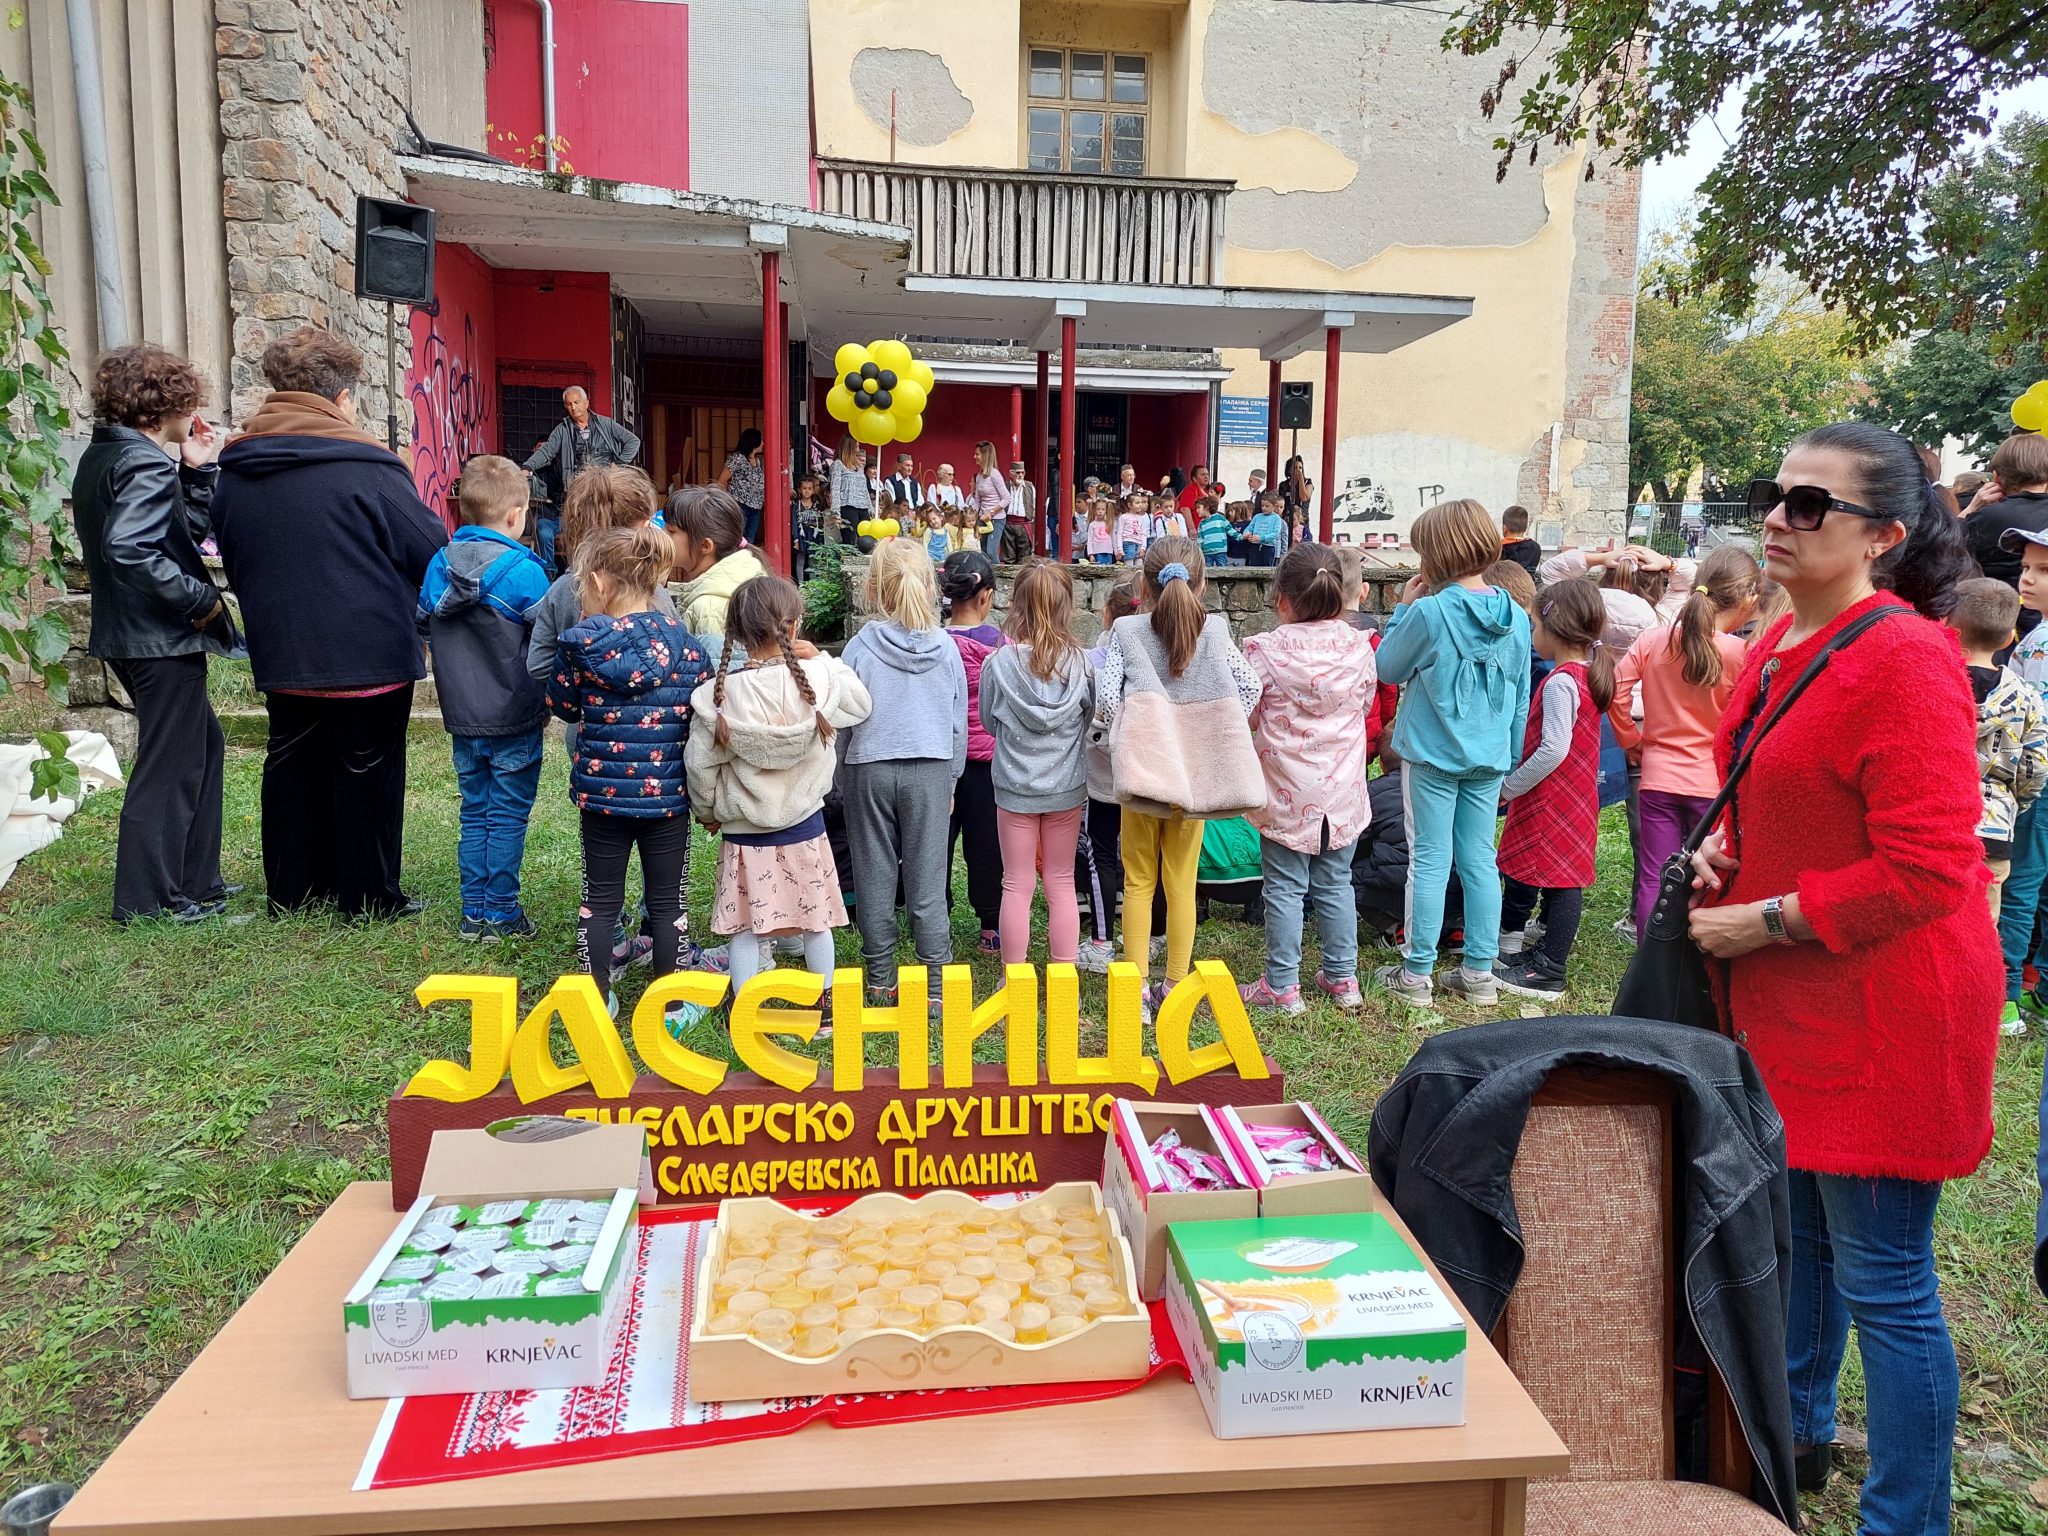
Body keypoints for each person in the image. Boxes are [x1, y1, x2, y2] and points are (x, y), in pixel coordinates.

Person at [1687, 422, 1993, 1536]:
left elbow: (1929, 866)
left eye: (1811, 504)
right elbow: (1785, 801)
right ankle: (1795, 1447)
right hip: (1796, 1002)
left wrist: (1766, 918)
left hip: (1886, 1012)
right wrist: (1727, 854)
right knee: (1803, 1250)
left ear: (1883, 536)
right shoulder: (1779, 639)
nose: (1778, 517)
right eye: (1772, 494)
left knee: (1884, 1280)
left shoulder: (1905, 656)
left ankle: (1904, 1520)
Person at [213, 325, 447, 920]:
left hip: (282, 647)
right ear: (342, 398)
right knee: (368, 771)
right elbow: (430, 551)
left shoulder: (236, 467)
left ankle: (293, 891)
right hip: (368, 651)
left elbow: (232, 550)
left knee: (291, 764)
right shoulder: (368, 465)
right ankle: (369, 898)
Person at [70, 342, 237, 924]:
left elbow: (173, 533)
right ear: (162, 405)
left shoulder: (108, 455)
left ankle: (196, 884)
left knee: (202, 748)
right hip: (157, 638)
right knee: (170, 764)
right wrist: (200, 600)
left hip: (135, 635)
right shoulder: (140, 462)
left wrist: (196, 471)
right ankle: (149, 902)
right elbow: (130, 549)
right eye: (186, 401)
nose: (194, 413)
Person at [688, 576, 872, 1030]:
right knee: (816, 921)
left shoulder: (718, 696)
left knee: (744, 924)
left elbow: (700, 766)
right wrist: (824, 658)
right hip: (805, 826)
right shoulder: (819, 680)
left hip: (744, 833)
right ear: (794, 626)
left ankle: (743, 1010)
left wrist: (708, 812)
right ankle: (824, 1008)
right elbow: (861, 704)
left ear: (735, 632)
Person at [1092, 536, 1263, 1013]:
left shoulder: (1126, 630)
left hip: (1144, 774)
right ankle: (1174, 985)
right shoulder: (1215, 631)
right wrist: (1210, 729)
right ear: (1201, 583)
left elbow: (1108, 698)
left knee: (1138, 882)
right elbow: (1250, 687)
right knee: (1181, 884)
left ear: (1143, 586)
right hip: (1194, 780)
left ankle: (1135, 990)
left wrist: (1129, 730)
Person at [1372, 499, 1531, 1009]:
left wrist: (1402, 607)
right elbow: (1520, 693)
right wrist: (1509, 755)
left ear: (1434, 557)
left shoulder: (1429, 611)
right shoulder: (1516, 615)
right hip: (1489, 757)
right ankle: (1479, 972)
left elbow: (1387, 667)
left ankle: (1416, 973)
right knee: (1480, 858)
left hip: (1432, 757)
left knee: (1430, 860)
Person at [548, 526, 712, 1016]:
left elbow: (563, 707)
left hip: (602, 799)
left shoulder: (580, 647)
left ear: (599, 582)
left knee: (598, 901)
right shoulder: (688, 647)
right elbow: (703, 712)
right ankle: (672, 1005)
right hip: (668, 799)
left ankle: (595, 1001)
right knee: (668, 904)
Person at [1237, 544, 1378, 1014]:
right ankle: (1342, 978)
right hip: (1341, 790)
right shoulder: (1359, 648)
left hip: (1285, 792)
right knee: (1337, 883)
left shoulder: (1264, 652)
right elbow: (1364, 705)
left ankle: (1282, 985)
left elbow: (1247, 713)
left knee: (1283, 887)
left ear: (1281, 599)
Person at [417, 455, 552, 942]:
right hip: (515, 715)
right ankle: (501, 912)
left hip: (461, 716)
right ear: (516, 515)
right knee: (507, 814)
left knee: (474, 811)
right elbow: (547, 641)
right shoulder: (526, 572)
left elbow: (423, 622)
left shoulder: (438, 564)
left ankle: (473, 912)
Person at [839, 539, 967, 1011]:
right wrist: (952, 779)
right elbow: (957, 723)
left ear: (875, 588)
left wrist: (841, 778)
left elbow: (843, 717)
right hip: (931, 770)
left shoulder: (859, 647)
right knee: (928, 880)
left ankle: (880, 982)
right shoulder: (947, 649)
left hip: (868, 768)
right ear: (930, 586)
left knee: (873, 878)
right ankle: (936, 987)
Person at [1608, 544, 1761, 936]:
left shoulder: (1653, 640)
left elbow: (1616, 690)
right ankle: (1696, 956)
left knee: (1653, 876)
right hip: (1714, 786)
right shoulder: (1742, 653)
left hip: (1657, 778)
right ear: (1747, 597)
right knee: (1707, 877)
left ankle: (1649, 957)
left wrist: (1630, 739)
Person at [1493, 578, 1613, 998]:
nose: (1532, 634)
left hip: (1552, 799)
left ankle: (1549, 969)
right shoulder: (1588, 674)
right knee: (1564, 875)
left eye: (1534, 625)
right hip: (1575, 797)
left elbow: (1553, 749)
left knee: (1562, 881)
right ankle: (1543, 955)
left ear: (1555, 627)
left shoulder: (1562, 682)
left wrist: (1510, 787)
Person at [979, 562, 1095, 969]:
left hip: (1014, 789)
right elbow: (1087, 719)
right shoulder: (1081, 664)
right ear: (1068, 607)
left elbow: (988, 722)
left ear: (1016, 606)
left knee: (1016, 883)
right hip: (1065, 788)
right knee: (1061, 881)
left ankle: (1013, 981)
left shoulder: (998, 664)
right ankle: (1064, 980)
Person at [1943, 579, 2048, 1025]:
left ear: (1946, 627)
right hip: (1993, 826)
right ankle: (1984, 1005)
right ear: (2009, 639)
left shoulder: (1935, 684)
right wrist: (2014, 802)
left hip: (1939, 819)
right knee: (1985, 920)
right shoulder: (2025, 697)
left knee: (1933, 914)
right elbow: (2036, 765)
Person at [1075, 572, 1143, 971]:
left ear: (1105, 614)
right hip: (1148, 776)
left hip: (1102, 778)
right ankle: (1153, 937)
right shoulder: (1160, 656)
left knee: (1100, 852)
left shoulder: (1090, 661)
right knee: (1146, 861)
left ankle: (1101, 942)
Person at [940, 551, 1007, 952]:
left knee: (937, 847)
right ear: (987, 596)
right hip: (987, 762)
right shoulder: (1001, 647)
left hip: (940, 760)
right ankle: (991, 927)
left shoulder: (933, 645)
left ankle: (937, 922)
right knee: (987, 846)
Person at [1998, 529, 2048, 1022]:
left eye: (2043, 571)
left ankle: (2004, 995)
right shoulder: (2036, 632)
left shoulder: (2040, 643)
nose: (2027, 579)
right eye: (2026, 567)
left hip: (2039, 780)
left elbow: (2026, 730)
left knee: (2019, 883)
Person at [1962, 432, 2048, 636]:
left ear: (1997, 477)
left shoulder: (1986, 518)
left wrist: (1971, 509)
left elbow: (1940, 548)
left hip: (1996, 626)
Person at [670, 486, 765, 651]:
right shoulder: (737, 580)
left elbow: (717, 666)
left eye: (671, 531)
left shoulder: (710, 609)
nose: (661, 534)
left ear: (705, 546)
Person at [524, 385, 640, 486]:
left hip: (607, 484)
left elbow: (633, 441)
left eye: (576, 402)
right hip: (578, 487)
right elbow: (547, 451)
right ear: (565, 406)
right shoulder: (562, 429)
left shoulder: (605, 424)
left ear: (586, 403)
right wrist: (527, 467)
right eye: (569, 404)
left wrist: (618, 464)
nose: (573, 408)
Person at [711, 427, 767, 546]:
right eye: (761, 440)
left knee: (750, 538)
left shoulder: (757, 461)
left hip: (756, 506)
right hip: (741, 504)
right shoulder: (738, 458)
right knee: (738, 536)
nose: (763, 443)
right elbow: (722, 480)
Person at [970, 441, 1012, 561]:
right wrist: (972, 515)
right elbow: (977, 501)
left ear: (985, 456)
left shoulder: (995, 475)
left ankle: (997, 573)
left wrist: (991, 512)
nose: (974, 457)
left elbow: (1007, 498)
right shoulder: (979, 477)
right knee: (982, 551)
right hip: (982, 518)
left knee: (991, 551)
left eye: (977, 454)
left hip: (996, 519)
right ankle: (985, 572)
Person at [829, 434, 871, 543]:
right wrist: (835, 512)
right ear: (849, 447)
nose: (858, 449)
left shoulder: (859, 466)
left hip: (863, 507)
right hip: (848, 506)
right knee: (850, 541)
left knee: (867, 541)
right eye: (856, 446)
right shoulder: (838, 465)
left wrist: (870, 508)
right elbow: (835, 489)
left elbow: (864, 489)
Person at [1006, 460, 1039, 563]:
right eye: (1018, 472)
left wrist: (1032, 520)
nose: (1020, 475)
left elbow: (1034, 505)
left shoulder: (1030, 487)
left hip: (1024, 523)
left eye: (1022, 472)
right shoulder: (1005, 486)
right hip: (1008, 523)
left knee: (1025, 555)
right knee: (1008, 553)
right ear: (1011, 473)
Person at [1245, 491, 1287, 568]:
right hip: (1255, 546)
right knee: (1253, 568)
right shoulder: (1257, 516)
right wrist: (1247, 534)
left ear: (1274, 506)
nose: (1264, 508)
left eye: (1267, 506)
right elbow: (1249, 528)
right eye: (1262, 505)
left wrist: (1261, 538)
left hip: (1268, 547)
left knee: (1266, 568)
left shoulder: (1276, 518)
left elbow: (1275, 533)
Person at [1498, 505, 1541, 573]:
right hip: (1527, 579)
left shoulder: (1499, 549)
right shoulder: (1535, 548)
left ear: (1504, 529)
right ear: (1526, 528)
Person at [1197, 496, 1232, 566]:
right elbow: (1200, 538)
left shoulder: (1220, 518)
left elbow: (1229, 529)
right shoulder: (1201, 523)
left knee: (1222, 568)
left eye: (1198, 507)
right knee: (1207, 570)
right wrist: (1198, 548)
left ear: (1207, 507)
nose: (1197, 510)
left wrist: (1240, 537)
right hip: (1207, 552)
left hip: (1220, 550)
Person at [1116, 493, 1148, 563]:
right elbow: (1119, 533)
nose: (1140, 505)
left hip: (1139, 544)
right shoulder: (1123, 517)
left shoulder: (1141, 518)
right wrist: (1120, 548)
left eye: (1141, 502)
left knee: (1139, 564)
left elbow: (1144, 533)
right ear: (1129, 505)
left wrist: (1143, 547)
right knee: (1129, 564)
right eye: (1137, 503)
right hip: (1128, 543)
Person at [1086, 499, 1116, 564]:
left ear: (1106, 511)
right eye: (1098, 509)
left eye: (1103, 509)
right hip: (1097, 552)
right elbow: (1089, 540)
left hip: (1108, 552)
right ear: (1094, 510)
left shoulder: (1109, 523)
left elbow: (1113, 539)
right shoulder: (1092, 525)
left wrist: (1116, 552)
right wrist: (1090, 554)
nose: (1100, 511)